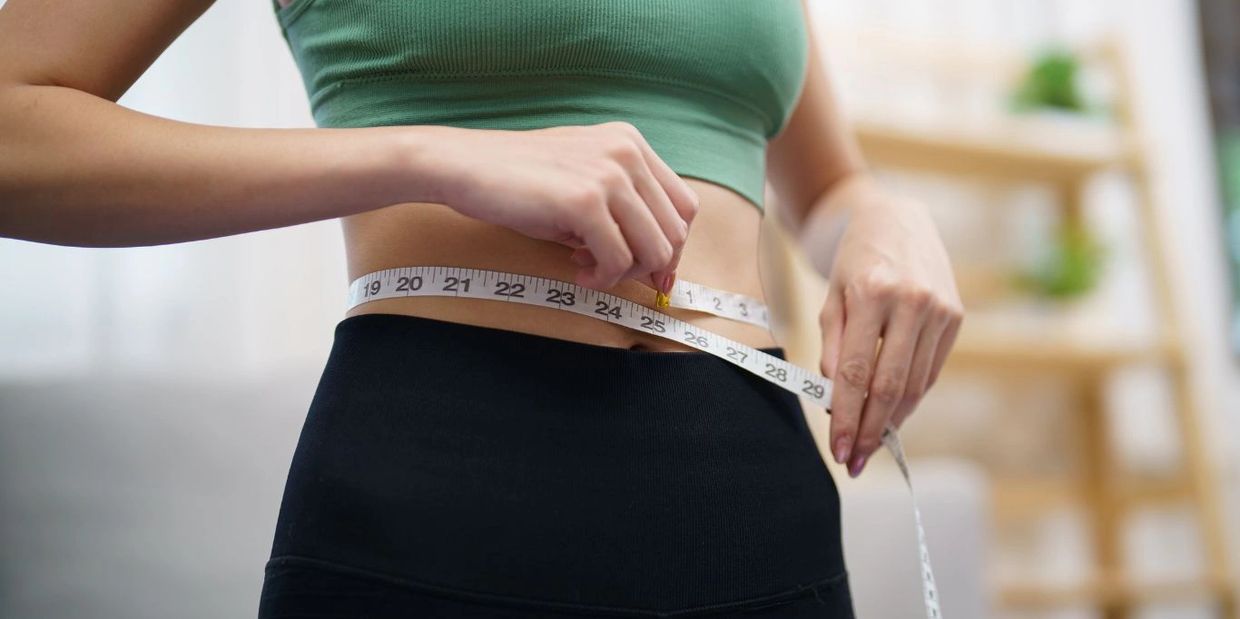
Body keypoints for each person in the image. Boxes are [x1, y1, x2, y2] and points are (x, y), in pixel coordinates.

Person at [0, 0, 963, 616]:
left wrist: (888, 214)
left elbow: (828, 188)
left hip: (758, 507)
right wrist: (432, 154)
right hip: (438, 499)